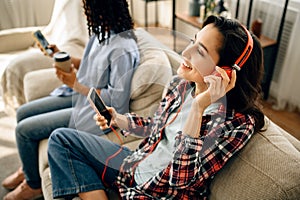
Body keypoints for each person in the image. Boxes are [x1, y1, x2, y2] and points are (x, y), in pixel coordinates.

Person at [47, 15, 265, 199]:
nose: (186, 52)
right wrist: (119, 119)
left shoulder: (238, 125)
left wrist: (198, 109)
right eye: (193, 41)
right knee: (61, 140)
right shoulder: (181, 85)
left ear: (226, 72)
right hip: (135, 166)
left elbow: (181, 179)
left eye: (200, 52)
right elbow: (156, 126)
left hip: (157, 192)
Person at [1, 0, 140, 199]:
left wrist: (77, 85)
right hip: (80, 95)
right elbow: (92, 63)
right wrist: (61, 56)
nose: (85, 12)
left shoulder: (123, 48)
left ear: (103, 8)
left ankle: (33, 184)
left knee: (23, 131)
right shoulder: (102, 31)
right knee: (23, 112)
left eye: (88, 7)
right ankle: (29, 167)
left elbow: (116, 101)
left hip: (93, 110)